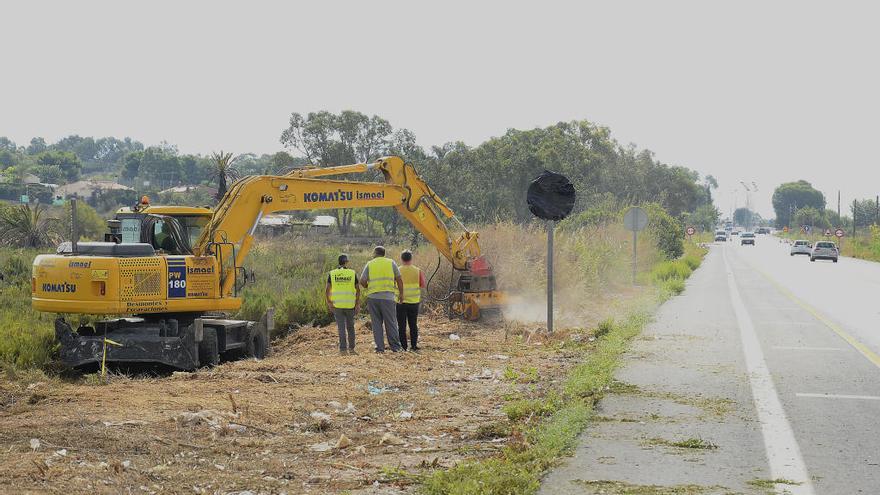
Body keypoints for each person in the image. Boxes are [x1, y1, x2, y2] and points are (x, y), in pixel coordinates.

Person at [360, 246, 404, 353]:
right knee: (391, 322)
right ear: (384, 253)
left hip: (373, 298)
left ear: (375, 253)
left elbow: (362, 280)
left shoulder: (370, 263)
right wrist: (401, 294)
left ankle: (380, 348)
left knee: (376, 323)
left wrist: (366, 286)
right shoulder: (391, 262)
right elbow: (399, 279)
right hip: (388, 298)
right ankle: (396, 347)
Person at [325, 254, 360, 355]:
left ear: (338, 262)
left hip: (337, 305)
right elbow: (358, 290)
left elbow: (327, 290)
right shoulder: (352, 273)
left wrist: (329, 302)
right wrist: (357, 304)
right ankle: (352, 349)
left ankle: (343, 350)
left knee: (341, 328)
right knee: (350, 327)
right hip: (350, 305)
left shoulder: (332, 273)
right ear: (346, 262)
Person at [396, 250, 425, 351]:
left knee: (401, 326)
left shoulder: (397, 270)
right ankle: (414, 345)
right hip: (414, 302)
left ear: (401, 259)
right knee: (413, 324)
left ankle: (403, 347)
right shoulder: (418, 270)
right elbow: (422, 284)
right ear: (411, 259)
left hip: (401, 302)